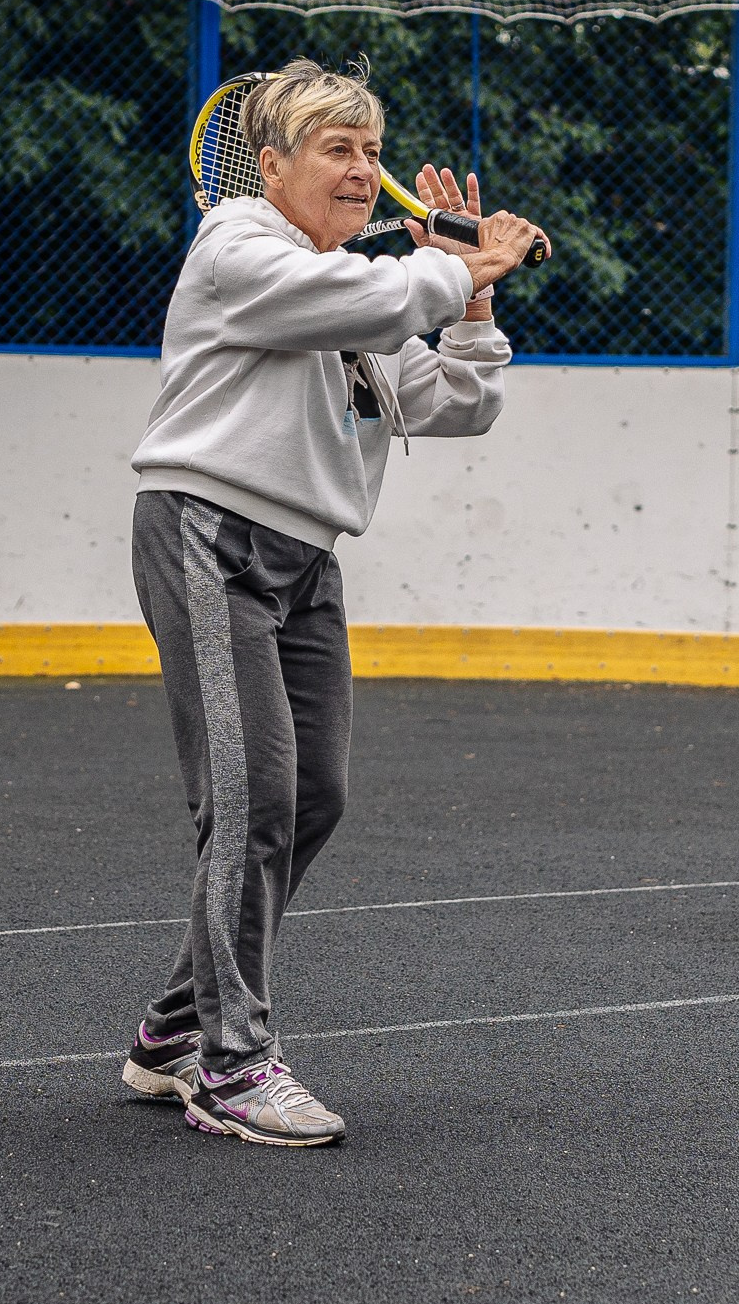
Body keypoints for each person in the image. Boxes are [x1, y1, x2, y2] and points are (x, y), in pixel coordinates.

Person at [117, 57, 544, 1146]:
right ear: (271, 167)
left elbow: (455, 401)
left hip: (305, 561)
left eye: (370, 152)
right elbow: (375, 294)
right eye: (336, 150)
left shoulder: (355, 290)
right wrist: (456, 263)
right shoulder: (242, 249)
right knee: (252, 796)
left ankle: (173, 1028)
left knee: (314, 800)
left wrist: (476, 294)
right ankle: (232, 1067)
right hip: (208, 537)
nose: (363, 172)